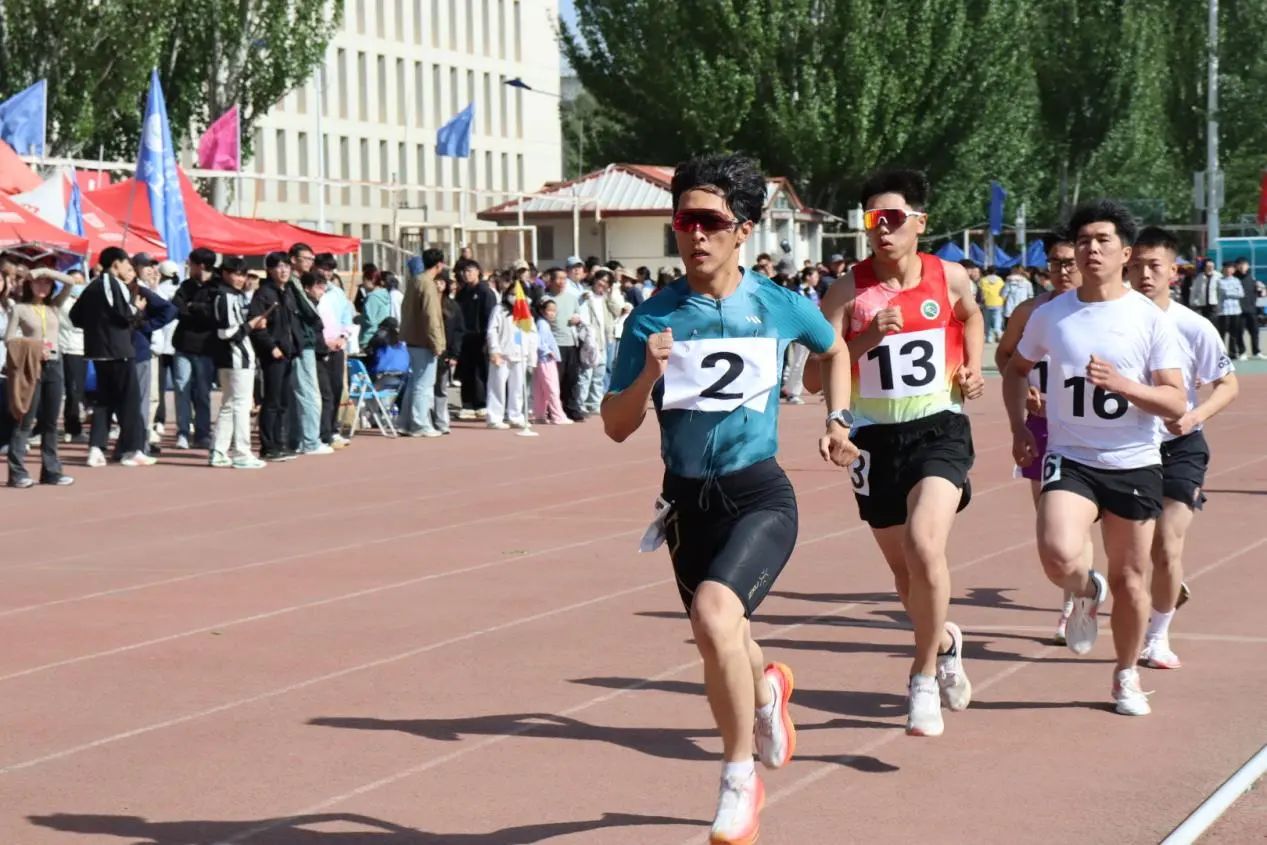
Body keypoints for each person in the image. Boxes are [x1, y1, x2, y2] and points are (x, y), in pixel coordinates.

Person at [601, 154, 858, 845]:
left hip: (759, 494)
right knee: (727, 638)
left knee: (715, 616)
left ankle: (738, 778)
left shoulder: (776, 303)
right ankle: (768, 689)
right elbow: (616, 425)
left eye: (710, 221)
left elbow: (833, 350)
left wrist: (837, 420)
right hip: (686, 505)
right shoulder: (651, 316)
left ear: (742, 229)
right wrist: (647, 373)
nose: (695, 234)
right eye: (683, 220)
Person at [812, 168, 985, 738]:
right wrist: (867, 339)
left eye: (892, 218)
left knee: (923, 543)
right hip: (873, 442)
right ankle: (946, 641)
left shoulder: (948, 276)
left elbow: (971, 314)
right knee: (905, 575)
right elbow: (814, 375)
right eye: (872, 219)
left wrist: (973, 365)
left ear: (919, 222)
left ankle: (922, 676)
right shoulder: (846, 292)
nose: (881, 229)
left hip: (939, 429)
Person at [1004, 200, 1187, 716]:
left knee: (1132, 580)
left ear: (1125, 253)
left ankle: (1126, 674)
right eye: (1083, 240)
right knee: (1058, 554)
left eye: (1103, 240)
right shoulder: (1050, 315)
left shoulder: (1149, 318)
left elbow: (1175, 400)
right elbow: (1016, 369)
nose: (1091, 249)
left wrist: (1123, 385)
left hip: (1134, 460)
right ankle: (1086, 588)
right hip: (1070, 455)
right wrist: (1019, 426)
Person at [1127, 227, 1238, 669]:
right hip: (1125, 447)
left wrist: (1194, 416)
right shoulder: (1110, 321)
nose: (1144, 274)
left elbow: (1227, 385)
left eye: (1154, 266)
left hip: (1180, 446)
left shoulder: (1193, 326)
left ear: (1174, 271)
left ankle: (1157, 636)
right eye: (1136, 265)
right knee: (1130, 552)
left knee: (1166, 545)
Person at [994, 234, 1090, 643]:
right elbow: (1004, 355)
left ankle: (1142, 581)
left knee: (1107, 521)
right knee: (1053, 520)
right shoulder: (1030, 311)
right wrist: (1024, 387)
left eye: (1069, 262)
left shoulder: (1102, 311)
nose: (1062, 270)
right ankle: (1075, 600)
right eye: (1055, 263)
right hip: (1044, 427)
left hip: (1095, 427)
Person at [71, 247, 154, 467]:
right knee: (130, 401)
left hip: (99, 352)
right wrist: (136, 309)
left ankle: (96, 448)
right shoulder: (112, 283)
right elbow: (122, 314)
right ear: (116, 263)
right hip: (118, 352)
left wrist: (95, 327)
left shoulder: (91, 286)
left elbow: (75, 316)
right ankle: (132, 450)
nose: (129, 268)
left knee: (104, 402)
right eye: (127, 263)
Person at [5, 265, 76, 487]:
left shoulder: (54, 306)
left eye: (47, 282)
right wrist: (34, 347)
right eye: (38, 282)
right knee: (25, 420)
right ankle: (17, 473)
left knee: (51, 421)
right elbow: (9, 339)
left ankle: (51, 471)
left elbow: (71, 282)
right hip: (31, 365)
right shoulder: (20, 308)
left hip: (55, 365)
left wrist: (45, 271)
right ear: (29, 284)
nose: (42, 286)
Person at [209, 257, 267, 469]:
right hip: (236, 356)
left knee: (230, 404)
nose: (241, 279)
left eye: (243, 275)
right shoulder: (225, 297)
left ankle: (219, 451)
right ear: (225, 273)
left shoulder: (231, 295)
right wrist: (251, 324)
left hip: (233, 357)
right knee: (241, 406)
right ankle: (242, 453)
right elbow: (226, 332)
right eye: (236, 274)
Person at [248, 252, 302, 462]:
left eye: (287, 266)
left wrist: (295, 346)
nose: (284, 270)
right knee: (271, 401)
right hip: (273, 354)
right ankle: (268, 446)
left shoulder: (288, 292)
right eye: (279, 266)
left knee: (283, 401)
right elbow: (257, 325)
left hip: (288, 353)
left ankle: (281, 443)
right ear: (269, 270)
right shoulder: (263, 294)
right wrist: (271, 347)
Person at [128, 255, 178, 457]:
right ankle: (139, 439)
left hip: (154, 347)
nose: (151, 270)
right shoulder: (136, 289)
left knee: (152, 397)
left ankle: (145, 435)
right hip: (140, 348)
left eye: (152, 266)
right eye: (145, 266)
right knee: (143, 397)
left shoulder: (151, 289)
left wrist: (149, 325)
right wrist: (146, 326)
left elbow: (168, 310)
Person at [170, 247, 219, 451]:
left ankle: (202, 433)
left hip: (206, 347)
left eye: (190, 264)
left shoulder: (217, 286)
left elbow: (212, 314)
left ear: (201, 265)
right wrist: (192, 309)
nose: (188, 267)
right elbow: (177, 307)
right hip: (183, 344)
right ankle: (182, 431)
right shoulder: (186, 285)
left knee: (202, 392)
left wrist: (193, 307)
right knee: (181, 388)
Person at [398, 249, 447, 438]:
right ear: (439, 265)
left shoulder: (414, 281)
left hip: (412, 338)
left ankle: (405, 423)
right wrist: (437, 343)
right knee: (424, 385)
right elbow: (431, 316)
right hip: (424, 341)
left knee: (414, 383)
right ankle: (420, 424)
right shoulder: (427, 284)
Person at [314, 254, 354, 448]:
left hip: (337, 347)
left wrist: (343, 337)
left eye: (330, 270)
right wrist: (324, 342)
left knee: (337, 388)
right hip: (319, 347)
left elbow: (346, 318)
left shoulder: (337, 292)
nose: (327, 273)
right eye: (323, 268)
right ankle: (322, 432)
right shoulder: (310, 290)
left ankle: (332, 429)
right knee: (324, 392)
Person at [484, 286, 538, 429]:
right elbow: (492, 330)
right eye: (512, 294)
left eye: (517, 294)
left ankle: (515, 416)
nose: (514, 297)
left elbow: (532, 335)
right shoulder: (499, 310)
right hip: (502, 355)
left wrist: (532, 357)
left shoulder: (526, 312)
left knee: (518, 388)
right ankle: (495, 418)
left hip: (520, 355)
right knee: (497, 387)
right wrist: (494, 350)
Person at [454, 258, 497, 419]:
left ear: (478, 272)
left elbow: (490, 317)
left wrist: (488, 339)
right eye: (464, 271)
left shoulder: (485, 292)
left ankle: (481, 403)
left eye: (470, 271)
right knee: (466, 371)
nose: (466, 274)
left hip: (480, 337)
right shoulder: (462, 293)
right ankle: (467, 404)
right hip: (465, 338)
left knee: (480, 371)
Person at [543, 267, 585, 422]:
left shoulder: (572, 298)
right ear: (551, 281)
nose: (561, 282)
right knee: (555, 380)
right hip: (554, 344)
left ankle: (572, 409)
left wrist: (577, 319)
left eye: (564, 279)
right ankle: (553, 409)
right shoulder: (545, 299)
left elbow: (578, 315)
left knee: (572, 378)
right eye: (558, 278)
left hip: (571, 343)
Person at [58, 269, 89, 444]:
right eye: (73, 281)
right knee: (73, 391)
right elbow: (74, 324)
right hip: (70, 349)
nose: (77, 284)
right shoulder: (63, 302)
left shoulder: (86, 299)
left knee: (79, 391)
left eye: (80, 281)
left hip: (85, 349)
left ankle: (74, 426)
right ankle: (72, 428)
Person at [532, 298, 568, 425]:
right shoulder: (542, 324)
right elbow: (539, 342)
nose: (552, 313)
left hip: (541, 360)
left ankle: (539, 415)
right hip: (546, 359)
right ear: (542, 311)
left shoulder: (543, 323)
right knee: (552, 388)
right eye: (550, 310)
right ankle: (558, 416)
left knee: (540, 389)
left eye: (554, 311)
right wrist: (548, 351)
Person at [1234, 257, 1264, 359]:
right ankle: (1242, 352)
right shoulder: (1234, 278)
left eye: (1245, 264)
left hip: (1251, 309)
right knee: (1239, 332)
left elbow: (1259, 292)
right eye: (1240, 265)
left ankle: (1256, 352)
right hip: (1239, 310)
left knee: (1255, 331)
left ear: (1248, 266)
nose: (1242, 267)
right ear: (1236, 266)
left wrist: (1261, 291)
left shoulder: (1252, 278)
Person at [1214, 261, 1245, 357]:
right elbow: (1225, 292)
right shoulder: (1219, 281)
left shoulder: (1237, 280)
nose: (1228, 270)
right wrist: (1234, 292)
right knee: (1222, 332)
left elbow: (1241, 294)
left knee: (1234, 332)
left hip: (1235, 310)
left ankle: (1232, 352)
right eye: (1226, 268)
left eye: (1230, 268)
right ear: (1223, 270)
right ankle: (1221, 352)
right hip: (1223, 311)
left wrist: (1232, 292)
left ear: (1233, 270)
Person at [979, 268, 1004, 341]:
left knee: (987, 321)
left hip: (987, 302)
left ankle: (989, 337)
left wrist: (981, 301)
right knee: (997, 320)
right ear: (995, 272)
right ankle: (998, 331)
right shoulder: (1000, 280)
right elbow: (1003, 290)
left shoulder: (983, 280)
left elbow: (981, 292)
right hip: (998, 302)